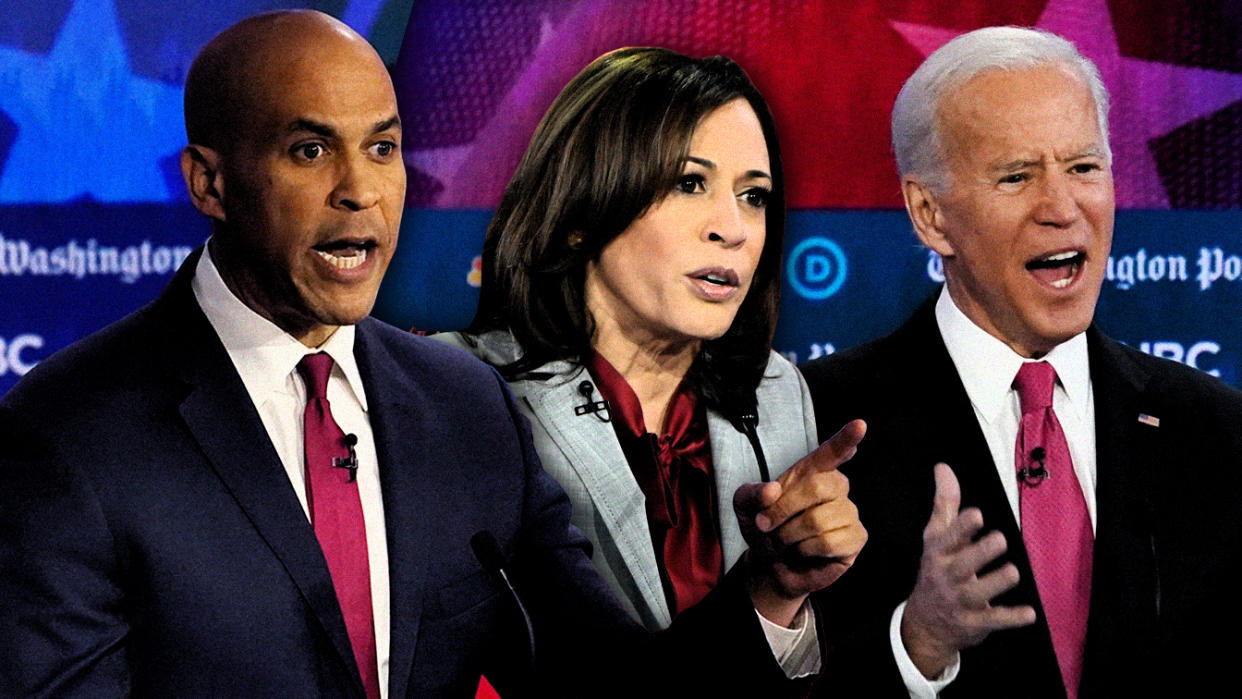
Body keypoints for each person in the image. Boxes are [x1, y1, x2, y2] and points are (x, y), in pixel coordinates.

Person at [0, 11, 860, 698]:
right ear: (209, 184)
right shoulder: (69, 436)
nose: (361, 188)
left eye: (383, 147)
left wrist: (774, 587)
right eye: (310, 150)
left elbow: (612, 683)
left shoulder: (465, 406)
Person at [801, 26, 1242, 699]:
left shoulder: (1213, 427)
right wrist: (916, 644)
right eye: (1017, 175)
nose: (1063, 209)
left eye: (1085, 168)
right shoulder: (822, 426)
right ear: (930, 214)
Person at [440, 47, 863, 660]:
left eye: (754, 196)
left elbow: (804, 673)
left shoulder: (774, 392)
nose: (734, 229)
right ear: (583, 209)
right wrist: (764, 592)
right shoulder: (463, 391)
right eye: (690, 184)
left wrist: (801, 600)